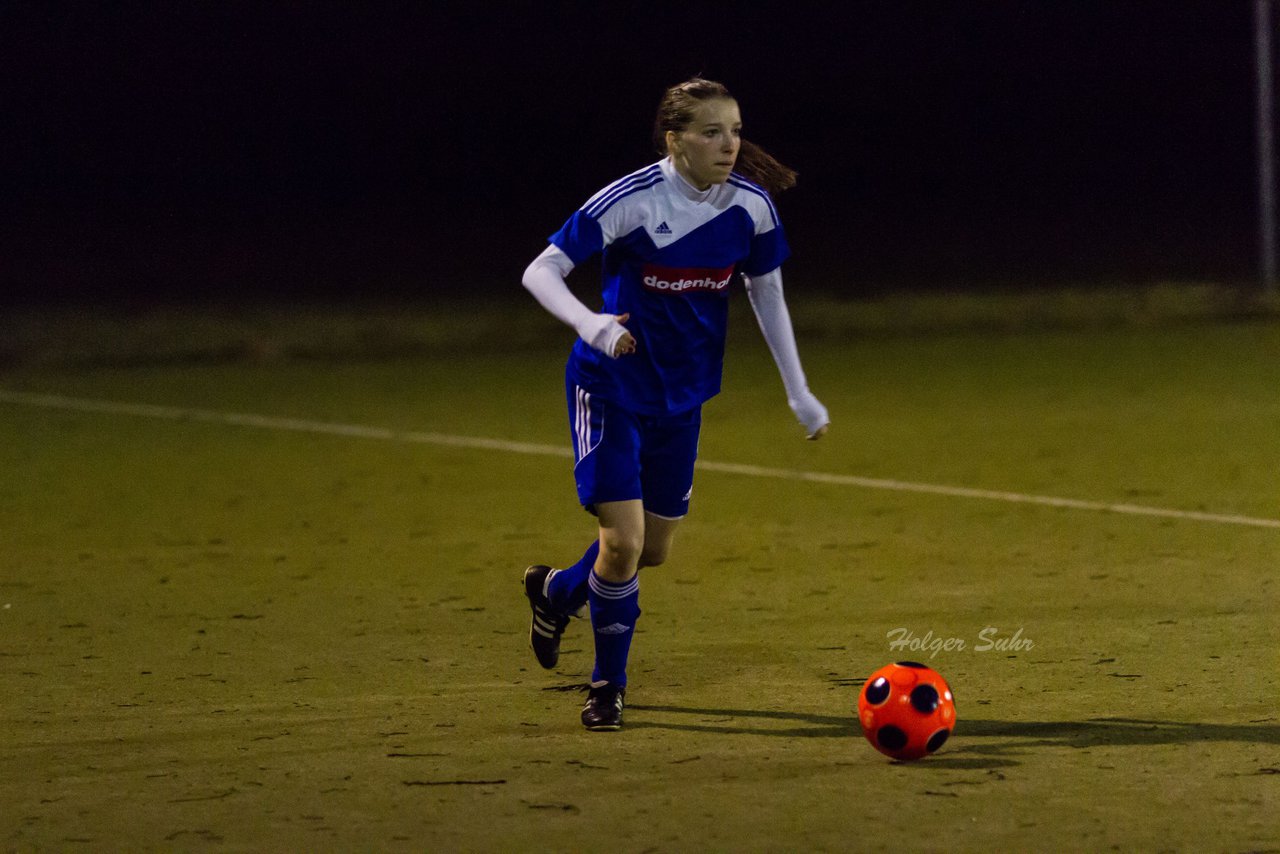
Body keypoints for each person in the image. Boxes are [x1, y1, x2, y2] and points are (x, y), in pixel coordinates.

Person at [520, 77, 829, 731]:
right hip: (610, 390)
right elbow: (540, 269)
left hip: (682, 398)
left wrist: (798, 390)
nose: (729, 144)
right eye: (712, 132)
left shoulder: (751, 206)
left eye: (736, 130)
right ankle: (608, 685)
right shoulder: (632, 200)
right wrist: (593, 325)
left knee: (650, 552)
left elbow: (766, 296)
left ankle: (555, 593)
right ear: (675, 139)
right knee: (624, 543)